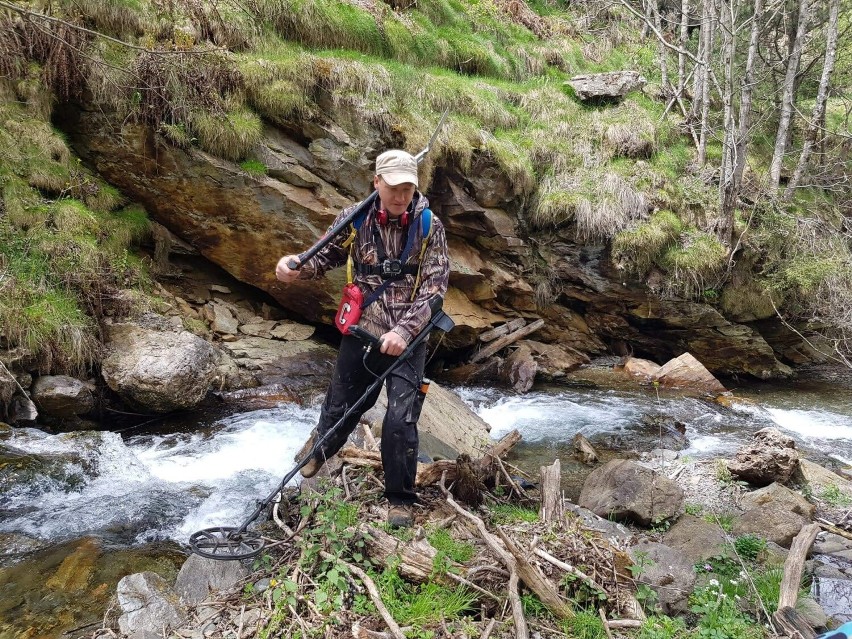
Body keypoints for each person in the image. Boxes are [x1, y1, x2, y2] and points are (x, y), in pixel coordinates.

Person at [275, 149, 449, 528]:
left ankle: (400, 500)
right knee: (342, 402)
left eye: (407, 188)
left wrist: (404, 332)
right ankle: (321, 448)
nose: (400, 196)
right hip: (361, 329)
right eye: (392, 187)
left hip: (408, 339)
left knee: (401, 421)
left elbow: (435, 290)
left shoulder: (428, 225)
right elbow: (322, 258)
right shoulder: (354, 218)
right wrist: (294, 268)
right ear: (377, 183)